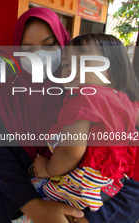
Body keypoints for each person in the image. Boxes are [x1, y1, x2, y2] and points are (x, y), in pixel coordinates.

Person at [0, 7, 139, 223]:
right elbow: (0, 161)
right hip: (17, 206)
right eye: (27, 49)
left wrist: (90, 220)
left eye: (49, 45)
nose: (38, 56)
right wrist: (35, 208)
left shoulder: (90, 93)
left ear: (64, 45)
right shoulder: (5, 95)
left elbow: (130, 176)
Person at [26, 34, 137, 219]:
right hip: (109, 187)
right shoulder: (124, 99)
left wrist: (47, 168)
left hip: (78, 185)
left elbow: (71, 151)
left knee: (29, 191)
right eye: (67, 64)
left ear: (113, 69)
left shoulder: (82, 97)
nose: (71, 68)